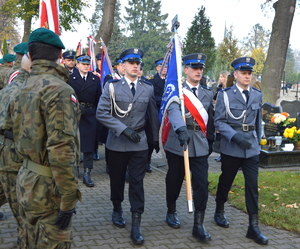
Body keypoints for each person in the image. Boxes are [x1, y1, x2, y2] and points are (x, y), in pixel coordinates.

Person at [12, 28, 81, 248]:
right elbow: (61, 148)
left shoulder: (22, 86)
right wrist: (69, 198)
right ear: (60, 56)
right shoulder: (59, 90)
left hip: (26, 180)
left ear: (30, 57)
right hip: (48, 190)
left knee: (28, 240)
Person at [96, 47, 160, 245]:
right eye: (131, 63)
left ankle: (136, 222)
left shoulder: (148, 88)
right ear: (122, 67)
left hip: (139, 142)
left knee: (137, 182)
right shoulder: (112, 87)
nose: (135, 66)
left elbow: (152, 115)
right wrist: (123, 130)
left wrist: (155, 139)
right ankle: (117, 208)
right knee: (116, 179)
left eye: (138, 63)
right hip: (117, 142)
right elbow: (102, 113)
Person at [214, 56, 268, 245]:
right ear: (235, 74)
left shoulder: (256, 94)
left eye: (249, 73)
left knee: (252, 186)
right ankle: (219, 209)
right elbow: (219, 121)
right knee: (226, 180)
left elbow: (256, 120)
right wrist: (235, 137)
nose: (247, 76)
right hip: (232, 145)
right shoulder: (225, 95)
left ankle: (253, 227)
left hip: (251, 147)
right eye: (243, 73)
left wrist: (259, 141)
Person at [163, 53, 214, 242]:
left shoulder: (207, 93)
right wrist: (180, 128)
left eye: (201, 68)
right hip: (179, 141)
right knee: (175, 179)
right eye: (194, 68)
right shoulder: (177, 91)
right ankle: (171, 209)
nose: (199, 71)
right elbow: (173, 110)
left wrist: (210, 140)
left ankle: (198, 225)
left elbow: (210, 119)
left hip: (199, 144)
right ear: (186, 70)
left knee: (201, 183)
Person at [0, 45, 31, 246]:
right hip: (18, 155)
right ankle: (24, 239)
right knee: (23, 207)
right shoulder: (22, 84)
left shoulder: (11, 83)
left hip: (7, 154)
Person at [69, 54, 101, 187]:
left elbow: (99, 98)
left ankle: (87, 173)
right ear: (77, 65)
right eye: (83, 64)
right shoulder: (70, 78)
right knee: (75, 144)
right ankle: (75, 171)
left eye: (87, 64)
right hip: (75, 114)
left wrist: (96, 113)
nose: (86, 66)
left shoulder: (95, 79)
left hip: (90, 114)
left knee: (88, 146)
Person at [214, 71, 230, 162]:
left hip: (225, 114)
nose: (220, 78)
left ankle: (224, 154)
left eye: (222, 77)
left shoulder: (229, 89)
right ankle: (221, 154)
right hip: (218, 110)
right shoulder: (219, 88)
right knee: (219, 136)